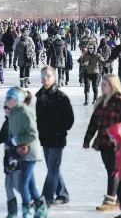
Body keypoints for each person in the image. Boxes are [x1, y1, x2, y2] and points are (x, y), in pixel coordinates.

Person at [5, 87, 47, 218]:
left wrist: (17, 140)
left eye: (9, 98)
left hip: (30, 153)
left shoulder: (25, 112)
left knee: (22, 184)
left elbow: (33, 134)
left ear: (17, 100)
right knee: (30, 183)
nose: (6, 100)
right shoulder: (12, 113)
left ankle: (27, 210)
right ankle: (41, 208)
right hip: (20, 153)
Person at [36, 66, 74, 208]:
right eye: (43, 76)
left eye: (48, 76)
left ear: (54, 78)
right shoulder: (39, 96)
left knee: (52, 168)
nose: (45, 79)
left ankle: (46, 198)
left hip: (57, 139)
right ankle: (63, 194)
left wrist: (59, 130)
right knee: (53, 168)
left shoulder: (61, 97)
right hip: (45, 138)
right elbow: (39, 118)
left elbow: (69, 120)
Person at [83, 74, 121, 211]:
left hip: (116, 144)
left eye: (104, 84)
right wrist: (87, 139)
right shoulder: (101, 101)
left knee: (113, 171)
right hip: (103, 141)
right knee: (112, 170)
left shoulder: (119, 101)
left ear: (112, 86)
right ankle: (119, 199)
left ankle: (110, 200)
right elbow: (94, 122)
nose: (101, 86)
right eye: (101, 84)